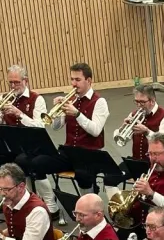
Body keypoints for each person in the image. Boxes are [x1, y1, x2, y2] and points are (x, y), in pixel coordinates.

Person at [25, 62, 121, 201]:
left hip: (89, 154)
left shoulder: (99, 102)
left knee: (83, 175)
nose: (74, 84)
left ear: (88, 80)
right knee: (36, 163)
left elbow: (95, 131)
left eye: (77, 80)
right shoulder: (71, 100)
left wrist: (77, 114)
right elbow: (56, 127)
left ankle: (89, 203)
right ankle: (51, 204)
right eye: (72, 79)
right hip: (69, 152)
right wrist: (58, 111)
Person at [121, 83, 164, 163]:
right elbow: (122, 140)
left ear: (152, 101)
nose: (139, 105)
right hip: (137, 161)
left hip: (159, 164)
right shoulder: (133, 115)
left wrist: (147, 132)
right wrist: (123, 128)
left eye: (142, 102)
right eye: (136, 101)